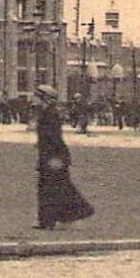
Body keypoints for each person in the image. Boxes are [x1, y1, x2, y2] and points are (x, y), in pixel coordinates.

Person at [33, 84, 94, 230]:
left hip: (54, 156)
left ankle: (74, 213)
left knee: (55, 188)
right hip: (50, 155)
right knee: (51, 187)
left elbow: (54, 137)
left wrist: (54, 158)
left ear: (45, 98)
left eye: (37, 96)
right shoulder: (47, 112)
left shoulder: (50, 113)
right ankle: (48, 221)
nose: (34, 99)